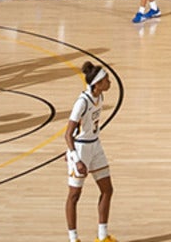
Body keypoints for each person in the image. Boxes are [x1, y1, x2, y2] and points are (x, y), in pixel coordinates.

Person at [64, 62, 116, 242]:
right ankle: (73, 239)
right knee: (74, 195)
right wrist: (74, 158)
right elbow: (68, 134)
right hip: (80, 149)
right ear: (97, 84)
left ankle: (102, 237)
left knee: (107, 189)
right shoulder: (82, 103)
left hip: (95, 146)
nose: (110, 82)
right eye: (106, 80)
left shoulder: (99, 97)